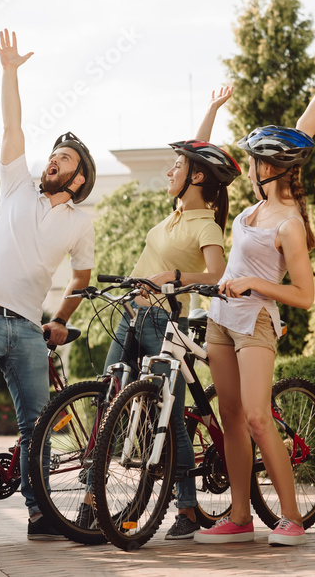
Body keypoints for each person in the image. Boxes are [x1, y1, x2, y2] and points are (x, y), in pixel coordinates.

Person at [193, 42, 315, 547]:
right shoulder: (253, 209)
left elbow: (306, 295)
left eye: (253, 162)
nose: (247, 168)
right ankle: (239, 516)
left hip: (257, 322)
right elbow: (302, 130)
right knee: (228, 418)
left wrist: (253, 283)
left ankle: (290, 518)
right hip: (220, 319)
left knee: (254, 415)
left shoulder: (289, 222)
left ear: (270, 167)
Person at [0, 29, 96, 547]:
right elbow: (12, 125)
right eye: (54, 153)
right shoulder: (16, 185)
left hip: (29, 329)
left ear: (78, 180)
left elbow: (82, 277)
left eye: (66, 159)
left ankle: (40, 513)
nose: (54, 160)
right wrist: (10, 71)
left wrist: (61, 319)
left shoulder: (81, 221)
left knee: (38, 422)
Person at [94, 88, 241, 540]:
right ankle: (93, 495)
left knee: (169, 412)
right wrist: (212, 111)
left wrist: (174, 274)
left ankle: (187, 507)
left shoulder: (205, 223)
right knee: (108, 397)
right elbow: (196, 154)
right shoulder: (175, 213)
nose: (170, 170)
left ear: (197, 179)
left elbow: (217, 274)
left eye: (178, 168)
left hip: (165, 321)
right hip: (132, 317)